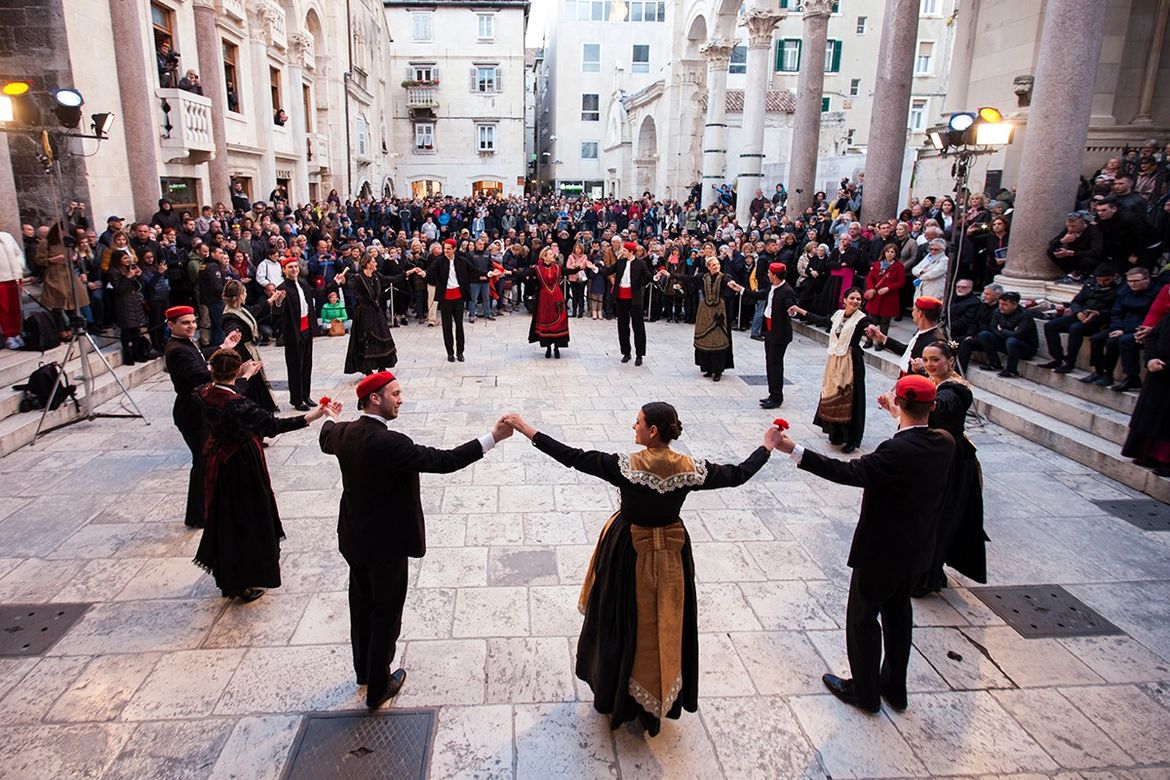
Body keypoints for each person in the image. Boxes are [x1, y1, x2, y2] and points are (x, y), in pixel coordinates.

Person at [503, 403, 779, 735]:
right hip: (671, 558)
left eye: (638, 423)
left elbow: (572, 456)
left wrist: (525, 428)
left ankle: (619, 696)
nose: (633, 426)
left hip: (627, 555)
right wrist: (766, 446)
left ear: (652, 432)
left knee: (621, 622)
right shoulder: (690, 468)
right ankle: (653, 700)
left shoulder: (627, 466)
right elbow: (737, 475)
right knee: (664, 624)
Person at [319, 371, 512, 709]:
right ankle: (378, 687)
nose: (401, 398)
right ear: (375, 399)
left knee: (360, 604)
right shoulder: (390, 443)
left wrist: (332, 416)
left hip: (353, 537)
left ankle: (363, 671)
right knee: (385, 613)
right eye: (395, 393)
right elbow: (445, 461)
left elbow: (325, 436)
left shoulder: (344, 432)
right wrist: (493, 437)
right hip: (386, 544)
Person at [772, 375, 956, 713]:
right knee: (899, 614)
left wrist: (792, 449)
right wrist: (901, 416)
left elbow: (849, 473)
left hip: (881, 552)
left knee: (863, 619)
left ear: (900, 404)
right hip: (917, 551)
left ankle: (865, 693)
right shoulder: (945, 442)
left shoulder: (894, 451)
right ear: (932, 406)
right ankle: (894, 688)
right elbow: (915, 436)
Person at [194, 348, 337, 601]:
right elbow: (272, 425)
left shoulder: (206, 392)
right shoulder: (238, 405)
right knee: (248, 517)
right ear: (236, 370)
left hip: (219, 458)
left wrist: (244, 377)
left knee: (225, 515)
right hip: (242, 464)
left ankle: (230, 573)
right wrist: (313, 416)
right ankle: (244, 579)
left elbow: (229, 392)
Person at [889, 341, 987, 596]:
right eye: (927, 359)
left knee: (936, 517)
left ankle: (925, 577)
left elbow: (937, 411)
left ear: (951, 361)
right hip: (932, 454)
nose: (930, 365)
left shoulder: (954, 390)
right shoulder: (934, 382)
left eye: (936, 360)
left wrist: (899, 411)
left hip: (950, 461)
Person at [163, 306, 243, 528]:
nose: (191, 326)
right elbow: (198, 373)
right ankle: (198, 515)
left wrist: (223, 347)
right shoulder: (177, 349)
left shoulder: (185, 344)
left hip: (198, 408)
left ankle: (208, 508)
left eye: (193, 322)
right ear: (171, 325)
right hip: (191, 411)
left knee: (209, 460)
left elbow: (199, 357)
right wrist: (233, 373)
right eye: (185, 323)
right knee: (203, 462)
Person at [791, 287, 873, 452]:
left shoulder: (862, 319)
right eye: (852, 298)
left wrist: (874, 332)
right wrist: (800, 310)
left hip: (851, 362)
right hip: (835, 360)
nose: (855, 301)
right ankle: (836, 432)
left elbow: (870, 329)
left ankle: (852, 439)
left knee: (850, 397)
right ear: (844, 300)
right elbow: (821, 320)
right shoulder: (838, 315)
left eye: (858, 299)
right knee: (832, 393)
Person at [659, 254, 745, 381]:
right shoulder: (703, 277)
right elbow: (688, 278)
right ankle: (708, 368)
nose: (716, 267)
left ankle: (718, 370)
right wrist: (670, 275)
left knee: (718, 339)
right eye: (714, 265)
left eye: (718, 264)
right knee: (705, 338)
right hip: (705, 311)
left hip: (719, 312)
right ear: (708, 267)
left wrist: (732, 284)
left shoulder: (724, 277)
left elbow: (728, 280)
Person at [345, 252, 423, 375]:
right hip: (364, 313)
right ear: (367, 264)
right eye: (374, 261)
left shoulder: (376, 276)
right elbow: (349, 287)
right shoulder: (358, 278)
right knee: (366, 340)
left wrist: (410, 272)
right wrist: (342, 280)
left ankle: (382, 365)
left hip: (376, 312)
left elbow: (391, 279)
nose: (376, 263)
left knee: (381, 337)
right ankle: (367, 368)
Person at [1039, 265, 1120, 373]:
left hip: (1100, 320)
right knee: (1050, 326)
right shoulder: (1090, 284)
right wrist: (1078, 312)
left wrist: (1098, 314)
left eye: (1106, 280)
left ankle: (1070, 362)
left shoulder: (1119, 289)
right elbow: (1077, 301)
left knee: (1075, 328)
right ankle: (1057, 358)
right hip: (1082, 314)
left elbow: (1117, 310)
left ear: (1113, 277)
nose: (1102, 283)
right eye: (1099, 280)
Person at [222, 279, 283, 412]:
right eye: (244, 293)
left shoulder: (240, 309)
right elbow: (231, 328)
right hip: (243, 353)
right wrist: (233, 334)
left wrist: (272, 299)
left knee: (258, 380)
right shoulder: (230, 316)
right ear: (239, 296)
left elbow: (256, 310)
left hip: (249, 349)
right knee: (252, 383)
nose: (246, 295)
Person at [1121, 317, 1170, 477]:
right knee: (1151, 413)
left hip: (1164, 369)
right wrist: (1150, 359)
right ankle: (1147, 454)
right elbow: (1153, 336)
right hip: (1157, 372)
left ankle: (1165, 459)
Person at [597, 241, 652, 365]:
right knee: (622, 326)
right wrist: (595, 268)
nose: (623, 252)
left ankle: (639, 355)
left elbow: (648, 277)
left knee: (638, 327)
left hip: (634, 299)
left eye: (625, 250)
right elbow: (608, 270)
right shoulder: (621, 262)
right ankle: (626, 353)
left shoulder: (640, 264)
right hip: (621, 298)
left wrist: (638, 286)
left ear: (631, 252)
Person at [274, 257, 317, 410]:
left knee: (307, 364)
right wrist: (278, 302)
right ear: (284, 270)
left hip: (306, 329)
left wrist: (334, 284)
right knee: (295, 366)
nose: (294, 269)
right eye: (290, 267)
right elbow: (277, 311)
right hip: (293, 332)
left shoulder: (303, 283)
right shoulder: (282, 287)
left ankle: (306, 395)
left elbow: (314, 296)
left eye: (295, 267)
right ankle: (297, 400)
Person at [867, 296, 946, 377]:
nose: (912, 313)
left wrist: (922, 369)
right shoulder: (922, 332)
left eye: (914, 310)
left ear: (920, 314)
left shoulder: (935, 341)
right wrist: (882, 338)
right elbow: (907, 351)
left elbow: (936, 374)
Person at [514, 246, 570, 358]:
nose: (552, 255)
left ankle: (557, 347)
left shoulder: (558, 267)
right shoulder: (537, 269)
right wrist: (511, 272)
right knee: (546, 321)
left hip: (557, 298)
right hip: (544, 299)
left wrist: (580, 267)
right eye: (550, 254)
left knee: (559, 321)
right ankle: (548, 347)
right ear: (544, 257)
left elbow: (569, 271)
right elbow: (525, 273)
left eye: (552, 254)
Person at [758, 262, 796, 408]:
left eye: (769, 272)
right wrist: (741, 289)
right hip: (769, 331)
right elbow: (760, 294)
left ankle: (776, 397)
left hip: (779, 334)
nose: (767, 274)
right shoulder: (772, 287)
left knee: (775, 365)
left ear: (774, 275)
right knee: (770, 363)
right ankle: (772, 393)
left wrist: (791, 310)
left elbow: (790, 305)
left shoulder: (787, 291)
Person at [975, 291, 1038, 378]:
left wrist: (1002, 330)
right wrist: (1008, 332)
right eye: (1000, 303)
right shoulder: (998, 312)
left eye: (1005, 304)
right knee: (984, 335)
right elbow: (992, 328)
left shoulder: (1025, 315)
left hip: (1025, 348)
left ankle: (1011, 370)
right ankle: (994, 362)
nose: (1001, 307)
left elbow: (1019, 335)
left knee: (1012, 341)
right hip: (1005, 342)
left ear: (1014, 305)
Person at [426, 239, 471, 362]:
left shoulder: (461, 261)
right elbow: (430, 272)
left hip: (458, 297)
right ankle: (450, 352)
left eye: (448, 249)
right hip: (445, 298)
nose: (446, 251)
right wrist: (423, 273)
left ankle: (460, 352)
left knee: (459, 325)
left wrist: (488, 273)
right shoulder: (439, 261)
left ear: (454, 249)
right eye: (444, 248)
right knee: (447, 326)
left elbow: (473, 270)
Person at [862, 243, 906, 348]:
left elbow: (901, 282)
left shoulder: (898, 266)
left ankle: (881, 342)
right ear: (884, 253)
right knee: (872, 320)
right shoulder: (877, 264)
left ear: (896, 254)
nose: (890, 254)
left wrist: (888, 288)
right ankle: (869, 340)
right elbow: (869, 278)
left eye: (892, 252)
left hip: (889, 298)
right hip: (876, 296)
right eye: (888, 252)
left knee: (884, 322)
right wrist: (871, 288)